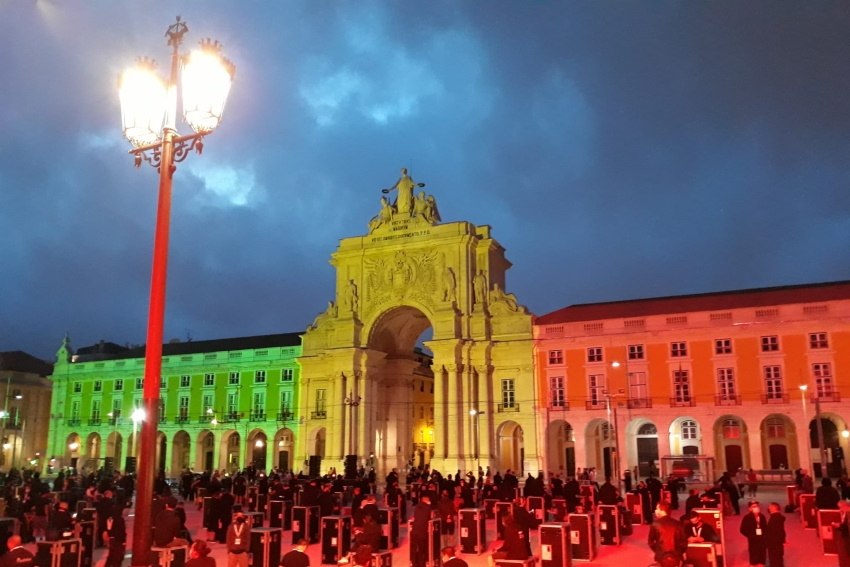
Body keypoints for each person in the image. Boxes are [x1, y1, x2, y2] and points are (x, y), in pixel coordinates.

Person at [739, 501, 767, 567]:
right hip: (753, 540)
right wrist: (750, 536)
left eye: (757, 506)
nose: (756, 508)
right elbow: (742, 530)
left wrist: (765, 536)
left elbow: (765, 527)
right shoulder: (747, 518)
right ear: (750, 509)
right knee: (753, 554)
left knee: (762, 554)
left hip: (762, 539)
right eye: (754, 507)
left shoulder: (762, 516)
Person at [410, 493, 433, 567]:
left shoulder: (417, 506)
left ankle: (413, 563)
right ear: (426, 500)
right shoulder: (427, 507)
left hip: (414, 531)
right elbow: (428, 518)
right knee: (422, 550)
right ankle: (421, 564)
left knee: (413, 549)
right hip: (422, 532)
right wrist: (429, 505)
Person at [764, 502, 785, 567]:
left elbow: (773, 532)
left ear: (774, 508)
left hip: (774, 543)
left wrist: (767, 541)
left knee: (775, 559)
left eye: (770, 507)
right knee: (778, 558)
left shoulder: (774, 519)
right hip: (777, 543)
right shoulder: (778, 517)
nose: (768, 509)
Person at [832, 499, 850, 567]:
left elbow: (846, 527)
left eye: (840, 507)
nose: (840, 509)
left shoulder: (848, 514)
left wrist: (838, 525)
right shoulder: (846, 513)